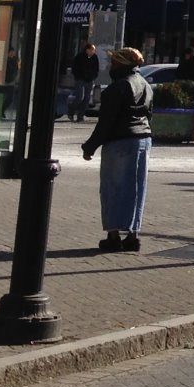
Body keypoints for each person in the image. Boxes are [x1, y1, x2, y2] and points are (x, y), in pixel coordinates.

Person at [81, 47, 153, 252]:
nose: (111, 66)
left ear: (121, 64)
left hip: (120, 141)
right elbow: (149, 116)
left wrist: (90, 147)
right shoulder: (146, 85)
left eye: (114, 62)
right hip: (143, 140)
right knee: (136, 189)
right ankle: (133, 235)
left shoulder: (116, 88)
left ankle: (113, 236)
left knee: (113, 188)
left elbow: (106, 123)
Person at [70, 43, 102, 121]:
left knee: (87, 98)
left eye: (94, 50)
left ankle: (80, 116)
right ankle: (71, 111)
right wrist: (77, 76)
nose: (93, 51)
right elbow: (74, 67)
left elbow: (96, 68)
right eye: (92, 50)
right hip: (80, 79)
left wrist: (93, 76)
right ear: (87, 50)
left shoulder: (94, 57)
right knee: (79, 97)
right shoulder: (80, 57)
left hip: (90, 80)